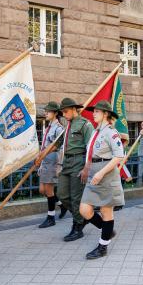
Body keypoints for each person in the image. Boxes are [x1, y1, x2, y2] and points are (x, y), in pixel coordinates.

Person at [79, 100, 125, 259]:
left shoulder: (111, 132)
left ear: (106, 114)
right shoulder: (95, 131)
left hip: (106, 175)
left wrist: (100, 173)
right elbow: (91, 153)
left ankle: (103, 246)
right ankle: (108, 231)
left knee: (106, 211)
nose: (94, 114)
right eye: (94, 111)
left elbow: (119, 156)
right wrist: (87, 168)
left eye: (97, 112)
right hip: (93, 173)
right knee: (84, 210)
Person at [56, 98, 94, 241]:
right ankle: (84, 216)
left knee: (76, 197)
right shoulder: (68, 125)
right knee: (62, 194)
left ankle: (77, 227)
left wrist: (86, 168)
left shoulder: (85, 125)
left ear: (74, 109)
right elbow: (60, 145)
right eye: (62, 112)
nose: (64, 115)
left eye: (66, 112)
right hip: (67, 162)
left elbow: (90, 148)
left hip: (79, 161)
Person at [35, 102, 65, 228]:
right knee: (43, 190)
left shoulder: (59, 129)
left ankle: (51, 217)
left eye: (49, 111)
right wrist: (40, 157)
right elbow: (45, 145)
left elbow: (59, 147)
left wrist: (59, 164)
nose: (45, 113)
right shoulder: (48, 128)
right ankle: (62, 205)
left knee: (48, 189)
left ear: (56, 113)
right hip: (45, 161)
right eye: (45, 111)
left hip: (53, 162)